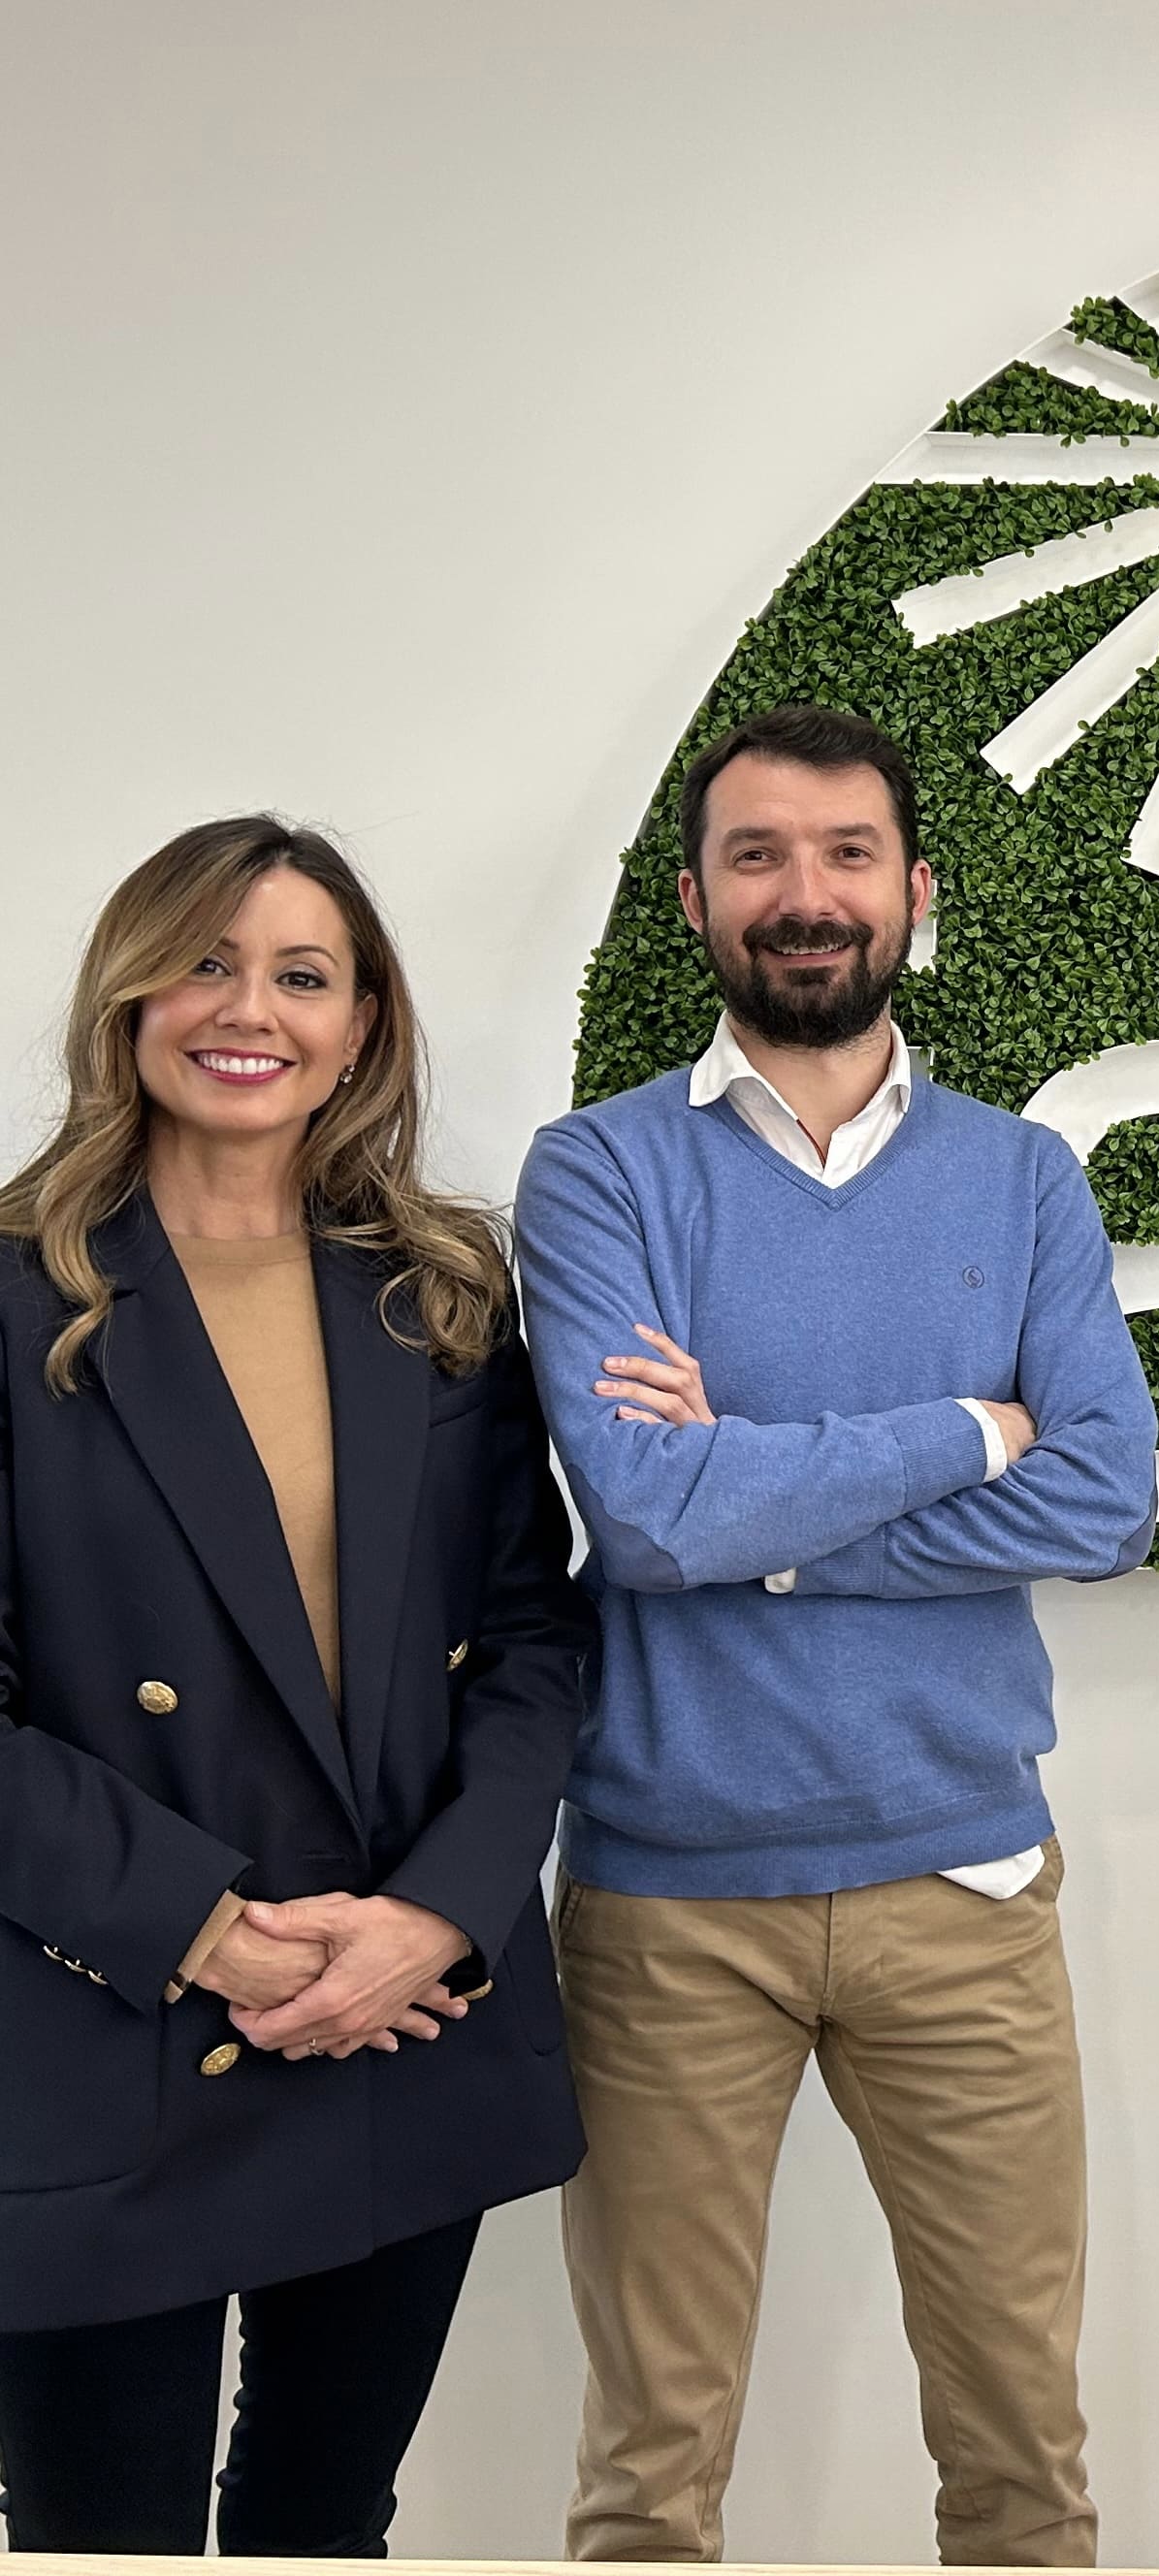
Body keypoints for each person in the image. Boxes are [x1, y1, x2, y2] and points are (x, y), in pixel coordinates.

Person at [514, 702, 1158, 2566]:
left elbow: (1104, 1502)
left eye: (846, 856)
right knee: (650, 2479)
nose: (806, 897)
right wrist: (962, 1431)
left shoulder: (1021, 1177)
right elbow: (640, 1514)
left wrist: (757, 1518)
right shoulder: (602, 1173)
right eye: (759, 858)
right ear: (700, 900)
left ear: (912, 893)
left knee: (1022, 2463)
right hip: (666, 1903)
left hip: (959, 1885)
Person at [0, 818, 593, 2554]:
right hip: (106, 2006)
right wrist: (210, 1931)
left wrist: (440, 1919)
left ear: (361, 1025)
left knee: (324, 2528)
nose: (244, 1007)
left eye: (301, 975)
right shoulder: (13, 1293)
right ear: (128, 995)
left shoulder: (442, 1295)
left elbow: (535, 1637)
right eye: (203, 959)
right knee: (100, 2542)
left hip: (401, 2014)